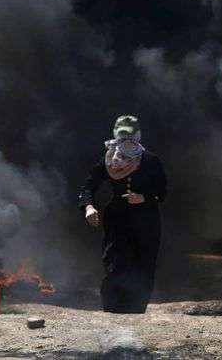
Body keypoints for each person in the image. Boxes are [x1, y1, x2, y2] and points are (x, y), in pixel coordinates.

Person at [78, 115, 167, 313]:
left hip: (146, 221)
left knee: (143, 266)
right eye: (122, 135)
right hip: (117, 219)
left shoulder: (150, 160)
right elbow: (89, 186)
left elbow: (162, 192)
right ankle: (113, 311)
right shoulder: (109, 160)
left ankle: (136, 311)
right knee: (115, 265)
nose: (126, 141)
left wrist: (143, 197)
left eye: (130, 136)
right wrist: (88, 207)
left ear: (137, 136)